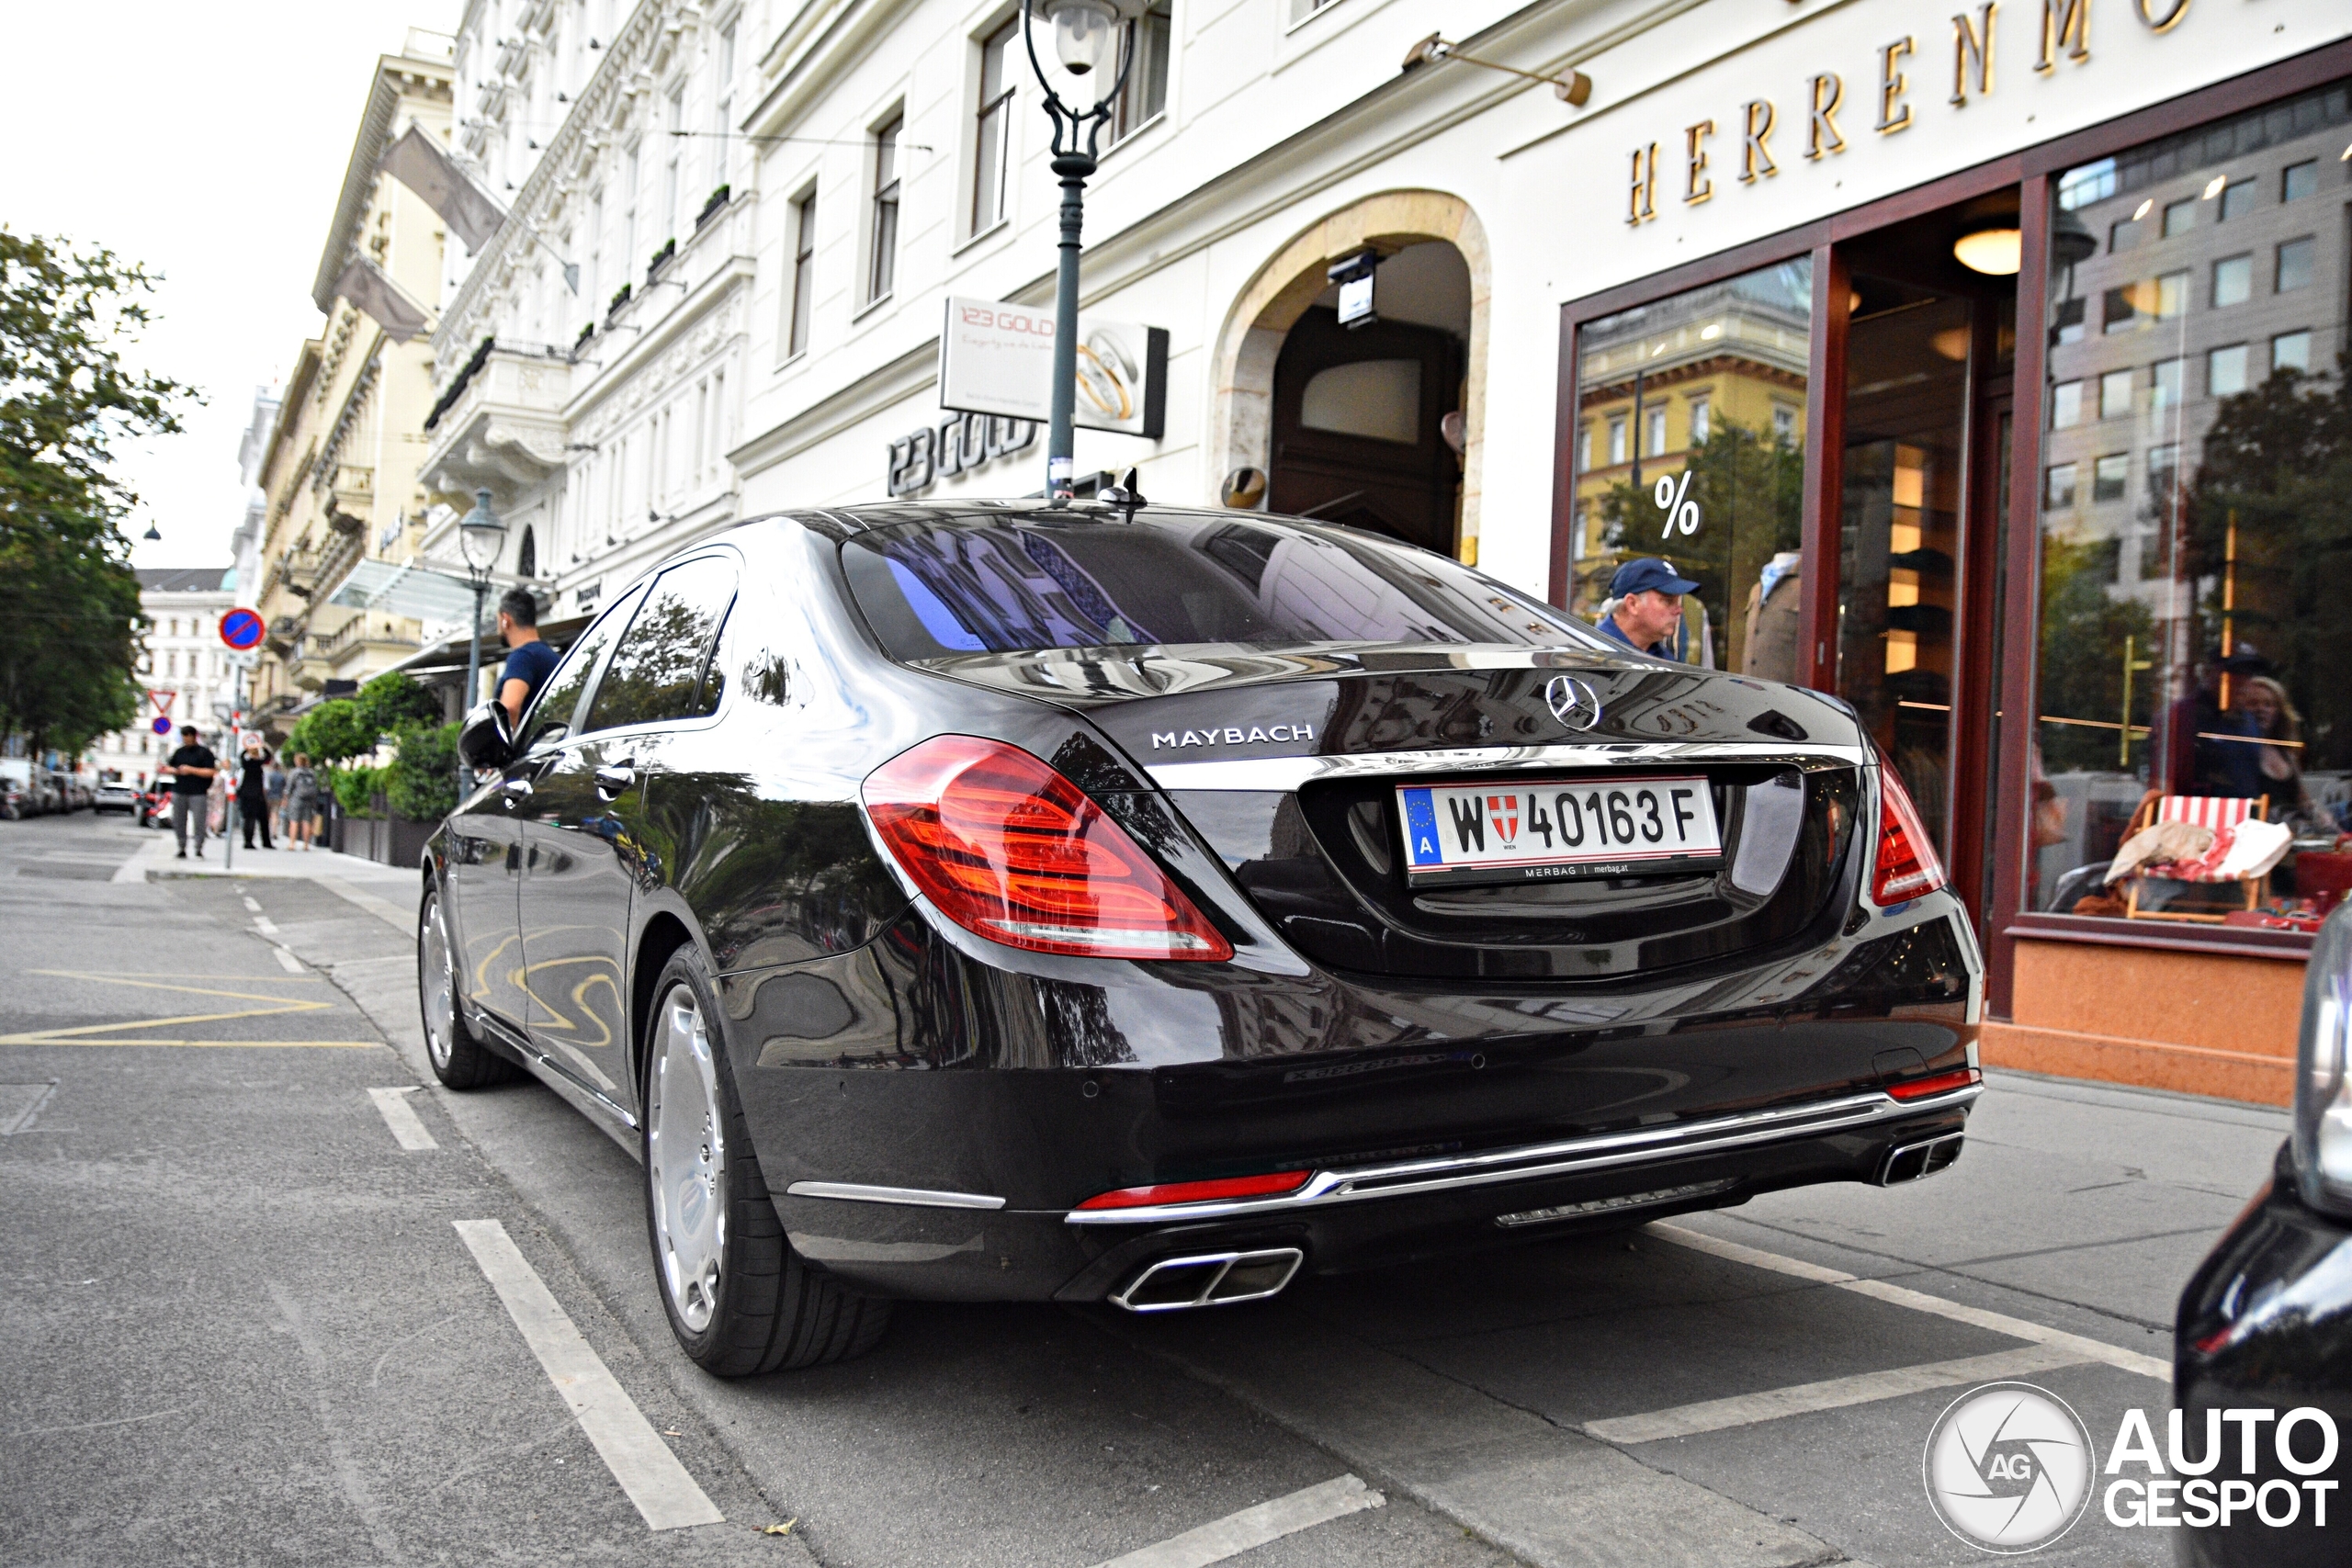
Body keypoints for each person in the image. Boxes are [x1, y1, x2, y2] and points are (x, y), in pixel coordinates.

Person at [1592, 557, 1701, 660]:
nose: (1679, 610)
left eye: (1678, 602)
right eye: (1668, 601)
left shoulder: (1663, 658)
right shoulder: (1591, 655)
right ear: (1632, 604)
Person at [495, 588, 558, 730]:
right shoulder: (552, 657)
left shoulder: (522, 657)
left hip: (529, 749)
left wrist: (508, 747)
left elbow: (509, 708)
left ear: (506, 620)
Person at [159, 725, 216, 860]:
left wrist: (191, 770)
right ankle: (181, 847)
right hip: (180, 790)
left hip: (198, 792)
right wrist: (175, 770)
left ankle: (198, 848)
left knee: (199, 821)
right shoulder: (179, 752)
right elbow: (169, 768)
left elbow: (210, 772)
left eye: (188, 737)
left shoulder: (204, 753)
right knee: (179, 821)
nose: (186, 740)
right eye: (184, 737)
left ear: (194, 736)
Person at [237, 739, 275, 850]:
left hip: (246, 794)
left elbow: (241, 756)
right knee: (262, 819)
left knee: (249, 819)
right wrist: (262, 746)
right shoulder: (258, 764)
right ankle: (265, 841)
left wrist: (247, 748)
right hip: (257, 795)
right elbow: (268, 756)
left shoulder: (246, 764)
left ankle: (248, 841)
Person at [284, 753, 320, 852]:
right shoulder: (311, 773)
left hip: (296, 799)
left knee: (294, 821)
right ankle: (306, 844)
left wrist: (286, 799)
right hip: (309, 800)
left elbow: (289, 787)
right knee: (307, 821)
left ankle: (292, 844)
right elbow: (316, 785)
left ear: (297, 761)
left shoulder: (295, 772)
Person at [264, 754, 288, 842]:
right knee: (275, 814)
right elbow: (284, 788)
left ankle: (268, 831)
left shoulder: (269, 776)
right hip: (278, 797)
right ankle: (274, 832)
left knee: (268, 815)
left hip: (269, 796)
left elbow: (266, 787)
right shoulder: (282, 776)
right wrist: (285, 799)